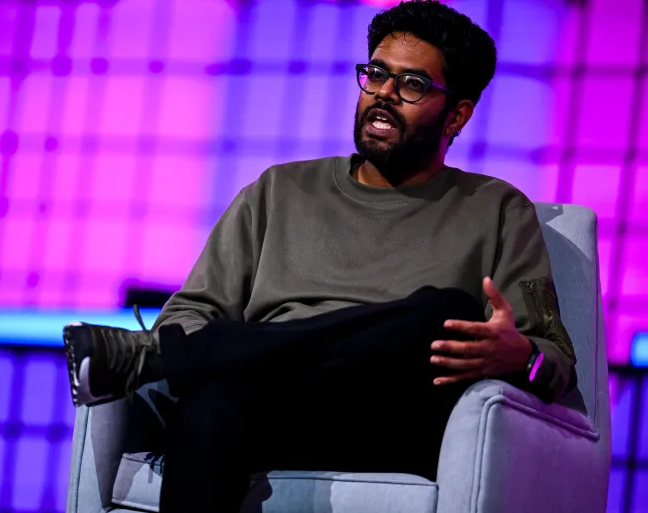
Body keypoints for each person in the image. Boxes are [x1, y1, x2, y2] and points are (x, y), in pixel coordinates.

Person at [62, 1, 577, 512]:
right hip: (266, 409)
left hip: (390, 420)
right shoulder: (278, 191)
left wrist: (523, 358)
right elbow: (189, 313)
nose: (383, 96)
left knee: (441, 313)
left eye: (412, 85)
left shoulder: (497, 209)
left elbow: (555, 360)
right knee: (214, 403)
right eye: (376, 74)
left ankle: (153, 355)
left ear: (458, 114)